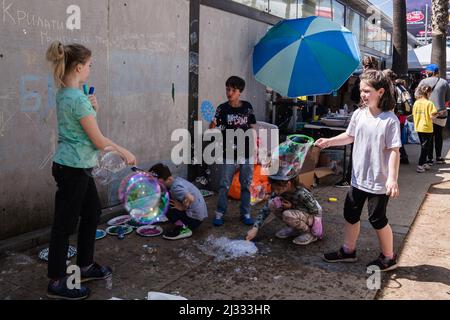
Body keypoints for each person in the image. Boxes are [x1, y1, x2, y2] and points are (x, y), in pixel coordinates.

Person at [46, 41, 136, 299]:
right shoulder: (77, 100)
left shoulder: (64, 93)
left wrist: (92, 109)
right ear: (77, 67)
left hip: (76, 166)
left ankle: (84, 265)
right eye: (89, 66)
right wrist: (123, 151)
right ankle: (56, 281)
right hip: (73, 169)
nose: (90, 70)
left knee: (93, 211)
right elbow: (98, 141)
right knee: (64, 225)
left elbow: (81, 130)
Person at [315, 70, 401, 271]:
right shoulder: (359, 114)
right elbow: (349, 136)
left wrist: (392, 179)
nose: (363, 94)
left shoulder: (390, 120)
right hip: (358, 178)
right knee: (350, 215)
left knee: (377, 219)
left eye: (367, 91)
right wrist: (329, 141)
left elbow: (394, 151)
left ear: (380, 92)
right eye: (361, 90)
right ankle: (348, 250)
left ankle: (389, 256)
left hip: (380, 181)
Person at [209, 76, 257, 226]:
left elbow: (253, 128)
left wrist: (255, 147)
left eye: (233, 90)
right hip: (228, 152)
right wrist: (212, 123)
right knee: (224, 185)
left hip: (246, 151)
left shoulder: (247, 107)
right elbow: (212, 129)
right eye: (227, 89)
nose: (229, 92)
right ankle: (219, 214)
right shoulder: (222, 108)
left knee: (246, 184)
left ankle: (246, 213)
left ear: (240, 92)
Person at [335, 56, 380, 188]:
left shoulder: (363, 77)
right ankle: (372, 178)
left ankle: (351, 178)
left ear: (364, 65)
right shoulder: (381, 77)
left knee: (358, 147)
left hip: (365, 113)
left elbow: (354, 95)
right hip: (380, 116)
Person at [245, 174, 323, 246]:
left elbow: (316, 210)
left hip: (311, 216)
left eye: (278, 189)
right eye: (273, 188)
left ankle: (309, 233)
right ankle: (295, 229)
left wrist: (316, 225)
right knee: (272, 204)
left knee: (287, 214)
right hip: (296, 213)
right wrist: (255, 228)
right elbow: (265, 209)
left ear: (288, 184)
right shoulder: (278, 192)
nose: (275, 191)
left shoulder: (302, 193)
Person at [149, 163, 208, 240]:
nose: (157, 185)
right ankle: (181, 221)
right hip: (198, 216)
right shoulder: (176, 180)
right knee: (165, 195)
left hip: (194, 220)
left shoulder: (175, 188)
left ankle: (183, 229)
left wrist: (182, 207)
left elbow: (191, 198)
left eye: (158, 182)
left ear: (168, 179)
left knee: (164, 205)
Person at [417, 64, 450, 165]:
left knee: (429, 137)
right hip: (441, 113)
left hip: (427, 114)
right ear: (437, 72)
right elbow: (447, 99)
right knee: (438, 135)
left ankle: (430, 158)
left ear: (428, 72)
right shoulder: (444, 82)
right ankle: (439, 157)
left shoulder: (423, 82)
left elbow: (417, 96)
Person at [383, 69, 411, 164]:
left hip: (393, 117)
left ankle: (401, 157)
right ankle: (403, 157)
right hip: (399, 117)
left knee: (394, 139)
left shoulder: (391, 88)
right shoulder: (400, 88)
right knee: (396, 138)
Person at [412, 85, 439, 173]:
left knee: (424, 146)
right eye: (430, 92)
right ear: (427, 92)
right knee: (425, 147)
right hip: (427, 127)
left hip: (419, 127)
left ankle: (423, 163)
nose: (431, 94)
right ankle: (420, 165)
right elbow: (432, 116)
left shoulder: (416, 103)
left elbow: (413, 115)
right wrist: (438, 114)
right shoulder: (429, 103)